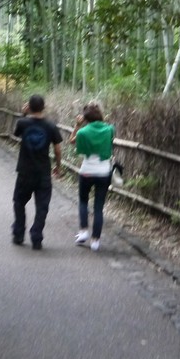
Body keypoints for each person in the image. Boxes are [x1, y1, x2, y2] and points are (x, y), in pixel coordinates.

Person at [11, 94, 64, 250]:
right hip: (43, 172)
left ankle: (19, 233)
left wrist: (23, 114)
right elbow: (58, 149)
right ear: (44, 107)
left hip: (24, 171)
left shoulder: (22, 123)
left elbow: (15, 133)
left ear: (29, 107)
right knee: (42, 206)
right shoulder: (51, 126)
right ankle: (36, 236)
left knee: (19, 202)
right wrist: (58, 166)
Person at [68, 102, 115, 252]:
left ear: (85, 118)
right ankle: (95, 240)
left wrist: (77, 125)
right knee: (98, 207)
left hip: (87, 171)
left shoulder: (82, 132)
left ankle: (83, 231)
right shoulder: (110, 129)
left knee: (83, 202)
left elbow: (71, 141)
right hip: (104, 172)